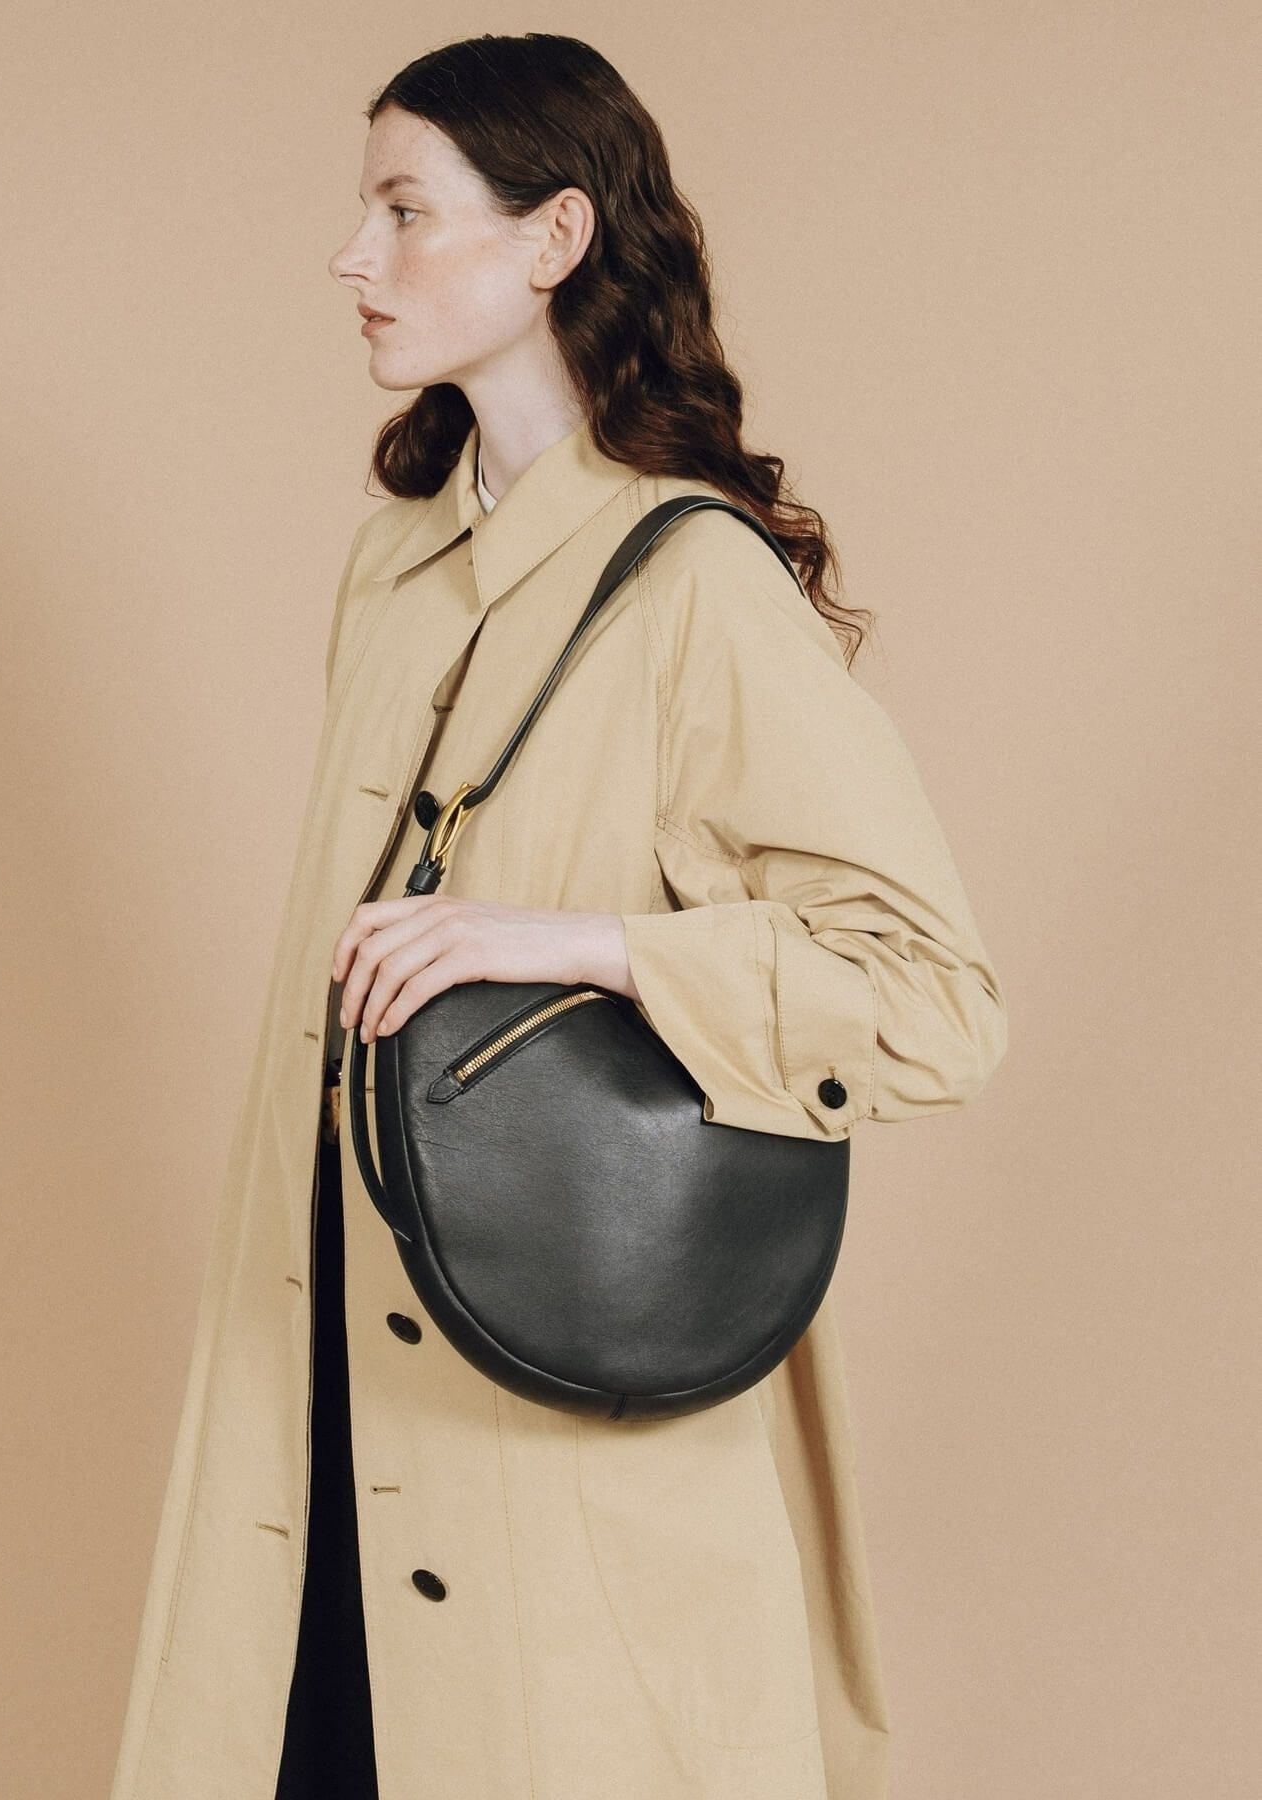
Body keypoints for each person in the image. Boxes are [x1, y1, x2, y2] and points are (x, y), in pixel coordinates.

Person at [110, 33, 1008, 1800]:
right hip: (318, 1372)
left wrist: (585, 944)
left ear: (554, 237)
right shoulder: (395, 564)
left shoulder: (697, 584)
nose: (352, 257)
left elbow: (931, 999)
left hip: (547, 1404)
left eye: (404, 210)